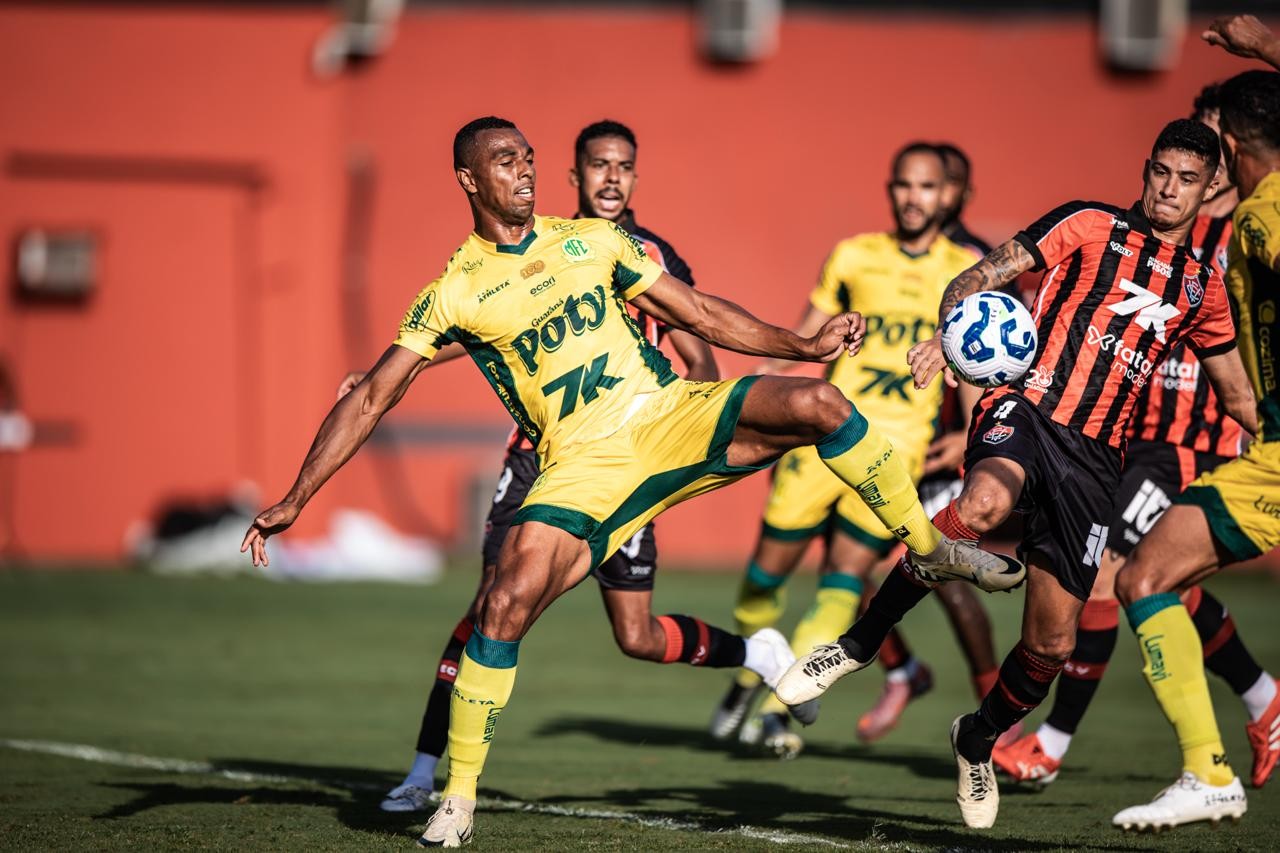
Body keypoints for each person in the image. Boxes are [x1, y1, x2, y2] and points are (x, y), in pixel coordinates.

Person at [240, 117, 1024, 847]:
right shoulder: (454, 290)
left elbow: (700, 316)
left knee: (821, 402)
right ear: (468, 180)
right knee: (507, 600)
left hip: (669, 416)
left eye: (528, 158)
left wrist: (802, 342)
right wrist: (296, 497)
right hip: (581, 464)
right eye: (505, 161)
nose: (524, 170)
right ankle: (456, 792)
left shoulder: (590, 242)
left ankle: (930, 548)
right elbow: (375, 393)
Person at [777, 118, 1258, 830]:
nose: (1168, 189)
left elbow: (1240, 396)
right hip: (1026, 409)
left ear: (1211, 186)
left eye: (1187, 179)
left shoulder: (1201, 288)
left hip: (1097, 465)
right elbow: (979, 273)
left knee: (1051, 645)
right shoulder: (1088, 223)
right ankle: (853, 645)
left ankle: (976, 739)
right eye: (1160, 171)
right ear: (1146, 166)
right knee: (980, 503)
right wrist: (950, 334)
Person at [363, 119, 795, 814]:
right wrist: (388, 375)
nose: (612, 178)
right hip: (541, 459)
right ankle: (426, 771)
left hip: (633, 450)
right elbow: (464, 325)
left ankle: (758, 655)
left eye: (625, 166)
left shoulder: (647, 253)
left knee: (636, 633)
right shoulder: (536, 241)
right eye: (599, 165)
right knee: (490, 605)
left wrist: (700, 425)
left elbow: (699, 339)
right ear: (573, 175)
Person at [994, 83, 1280, 794]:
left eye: (1211, 150)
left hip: (1195, 440)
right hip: (1134, 436)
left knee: (1116, 573)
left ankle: (1054, 742)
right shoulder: (1141, 229)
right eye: (1177, 157)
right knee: (1161, 581)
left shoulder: (1246, 227)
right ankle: (1264, 700)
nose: (1196, 169)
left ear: (1227, 161)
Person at [709, 143, 1006, 760]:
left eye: (926, 186)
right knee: (761, 583)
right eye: (903, 184)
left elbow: (979, 370)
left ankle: (776, 710)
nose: (914, 197)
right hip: (821, 442)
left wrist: (978, 441)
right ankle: (752, 672)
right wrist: (747, 397)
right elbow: (804, 342)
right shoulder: (853, 256)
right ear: (891, 190)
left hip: (895, 457)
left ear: (945, 194)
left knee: (843, 582)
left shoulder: (966, 272)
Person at [1110, 68, 1280, 831]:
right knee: (1149, 571)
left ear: (1233, 147)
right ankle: (1216, 761)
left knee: (1141, 574)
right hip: (1264, 447)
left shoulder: (1261, 216)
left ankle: (1208, 768)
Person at [856, 142, 1014, 745]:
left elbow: (1003, 358)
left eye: (941, 185)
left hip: (945, 447)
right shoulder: (882, 257)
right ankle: (902, 670)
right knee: (850, 570)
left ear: (959, 195)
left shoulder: (975, 263)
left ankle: (991, 708)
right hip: (893, 444)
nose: (926, 196)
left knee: (937, 571)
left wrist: (970, 436)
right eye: (916, 184)